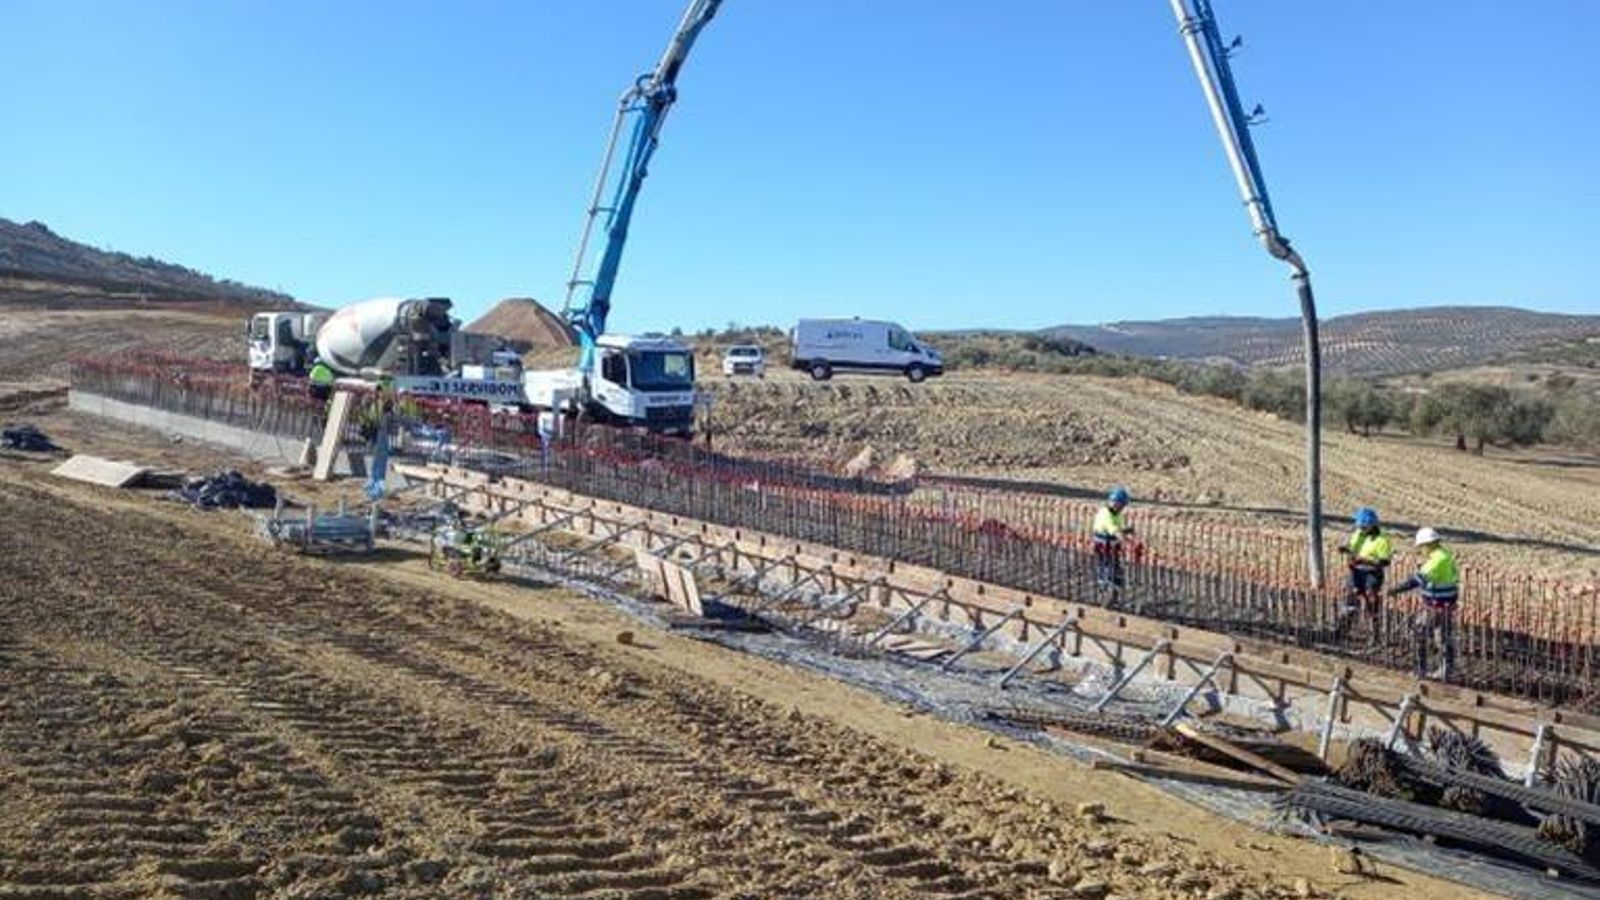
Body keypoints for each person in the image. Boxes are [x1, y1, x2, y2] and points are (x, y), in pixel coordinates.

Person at [1388, 527, 1460, 680]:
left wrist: (1396, 590)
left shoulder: (1438, 560)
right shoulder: (1444, 555)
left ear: (1428, 544)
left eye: (1421, 547)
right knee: (1442, 637)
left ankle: (1420, 670)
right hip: (1445, 605)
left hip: (1437, 605)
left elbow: (1417, 579)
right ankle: (1447, 670)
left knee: (1419, 632)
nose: (1421, 550)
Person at [1336, 507, 1393, 640]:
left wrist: (1365, 560)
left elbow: (1384, 561)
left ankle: (1375, 634)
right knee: (1350, 598)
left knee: (1371, 601)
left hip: (1372, 574)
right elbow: (1352, 546)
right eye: (1359, 526)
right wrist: (1346, 549)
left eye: (1364, 527)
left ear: (1372, 525)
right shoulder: (1358, 533)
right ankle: (1342, 630)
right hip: (1356, 571)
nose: (1361, 529)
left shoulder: (1382, 540)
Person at [1092, 487, 1135, 597]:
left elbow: (1117, 529)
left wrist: (1126, 531)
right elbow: (1113, 530)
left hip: (1112, 544)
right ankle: (1105, 587)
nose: (1121, 508)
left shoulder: (1117, 514)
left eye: (1123, 505)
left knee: (1115, 566)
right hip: (1103, 544)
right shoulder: (1106, 513)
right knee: (1107, 566)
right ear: (1113, 502)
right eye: (1120, 505)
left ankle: (1114, 586)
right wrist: (1125, 539)